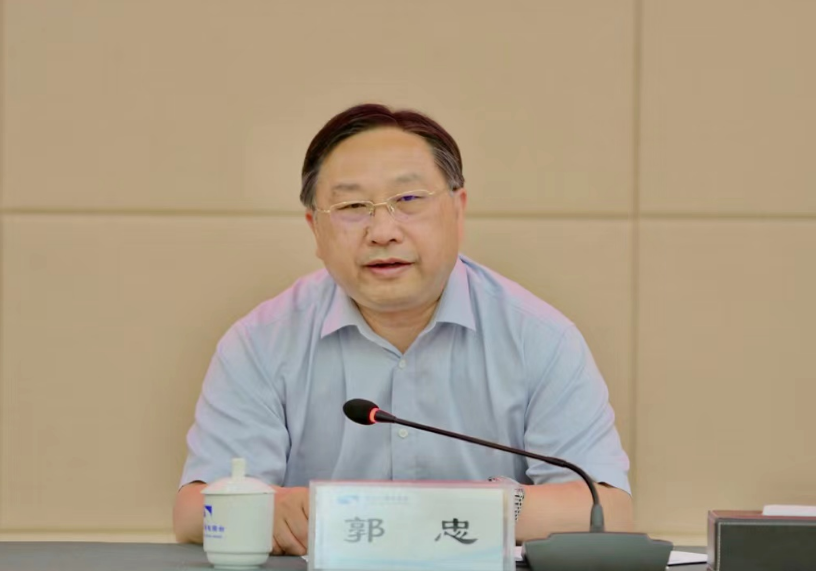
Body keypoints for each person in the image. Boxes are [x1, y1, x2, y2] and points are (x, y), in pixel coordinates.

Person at [173, 103, 633, 554]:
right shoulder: (261, 342)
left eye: (408, 200)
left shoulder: (539, 338)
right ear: (315, 229)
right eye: (352, 205)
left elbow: (605, 511)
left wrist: (453, 512)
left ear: (458, 210)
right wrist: (271, 509)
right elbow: (194, 512)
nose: (382, 231)